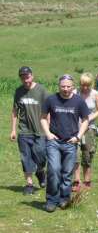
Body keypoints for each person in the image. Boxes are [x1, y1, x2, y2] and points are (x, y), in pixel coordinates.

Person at [41, 74, 90, 212]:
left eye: (68, 86)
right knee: (53, 170)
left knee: (67, 172)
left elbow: (86, 120)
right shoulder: (51, 99)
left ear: (73, 87)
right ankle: (51, 200)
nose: (66, 89)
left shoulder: (79, 101)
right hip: (54, 142)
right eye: (63, 86)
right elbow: (43, 118)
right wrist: (48, 134)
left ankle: (64, 198)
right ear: (59, 86)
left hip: (70, 142)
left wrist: (78, 136)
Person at [10, 66, 48, 195]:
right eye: (23, 77)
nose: (25, 80)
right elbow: (15, 111)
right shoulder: (18, 91)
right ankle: (29, 184)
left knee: (41, 155)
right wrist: (13, 130)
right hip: (24, 130)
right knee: (25, 157)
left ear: (32, 75)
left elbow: (48, 110)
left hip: (41, 130)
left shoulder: (41, 90)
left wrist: (50, 129)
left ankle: (41, 172)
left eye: (27, 76)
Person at [72, 73, 98, 192]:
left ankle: (87, 181)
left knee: (87, 154)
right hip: (75, 128)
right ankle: (76, 180)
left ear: (91, 84)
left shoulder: (95, 94)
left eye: (87, 85)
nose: (84, 88)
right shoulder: (75, 93)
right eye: (82, 85)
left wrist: (89, 118)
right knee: (75, 155)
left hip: (89, 128)